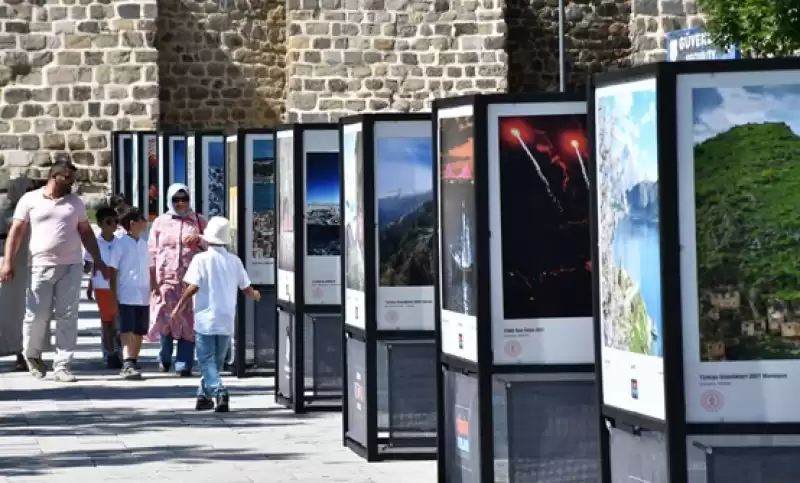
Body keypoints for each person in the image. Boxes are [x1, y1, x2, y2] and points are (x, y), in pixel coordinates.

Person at [1, 161, 108, 382]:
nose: (72, 183)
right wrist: (8, 262)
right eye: (68, 178)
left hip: (71, 266)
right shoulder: (30, 200)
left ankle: (63, 365)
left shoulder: (75, 203)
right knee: (36, 316)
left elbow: (86, 232)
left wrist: (98, 259)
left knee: (67, 316)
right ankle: (32, 354)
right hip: (40, 266)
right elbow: (16, 232)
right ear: (55, 177)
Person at [172, 217, 260, 411]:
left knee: (206, 361)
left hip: (205, 318)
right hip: (226, 318)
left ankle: (219, 391)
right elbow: (246, 288)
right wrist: (255, 295)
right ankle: (203, 396)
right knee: (216, 362)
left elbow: (193, 286)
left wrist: (179, 307)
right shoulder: (234, 261)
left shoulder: (200, 259)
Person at [149, 183, 207, 376]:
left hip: (191, 281)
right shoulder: (160, 223)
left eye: (184, 199)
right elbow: (152, 252)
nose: (181, 203)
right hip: (166, 279)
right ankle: (165, 356)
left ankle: (184, 362)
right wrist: (153, 280)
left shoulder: (198, 221)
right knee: (167, 318)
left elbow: (212, 244)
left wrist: (198, 239)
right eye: (176, 199)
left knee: (188, 322)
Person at [0, 176, 39, 371]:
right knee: (10, 312)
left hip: (31, 266)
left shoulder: (37, 210)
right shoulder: (5, 214)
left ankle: (25, 353)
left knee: (26, 312)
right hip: (10, 267)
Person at [108, 208, 150, 380]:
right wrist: (112, 293)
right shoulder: (120, 243)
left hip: (143, 293)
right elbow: (112, 270)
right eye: (142, 219)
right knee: (127, 328)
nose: (145, 223)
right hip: (126, 293)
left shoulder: (144, 243)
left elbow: (149, 267)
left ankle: (133, 359)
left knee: (140, 330)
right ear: (132, 223)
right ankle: (127, 362)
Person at [84, 205, 122, 369]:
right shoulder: (95, 244)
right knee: (107, 323)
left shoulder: (121, 242)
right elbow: (90, 265)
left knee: (119, 323)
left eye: (115, 221)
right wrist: (90, 286)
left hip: (120, 287)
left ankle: (121, 352)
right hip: (102, 286)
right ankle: (109, 352)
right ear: (100, 224)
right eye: (108, 221)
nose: (113, 225)